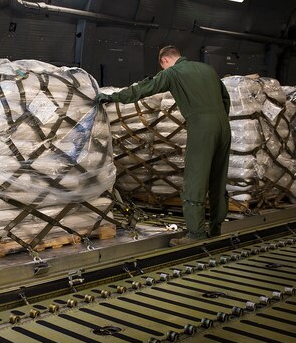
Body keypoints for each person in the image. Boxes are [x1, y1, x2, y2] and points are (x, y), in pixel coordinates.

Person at [96, 45, 231, 246]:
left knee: (196, 178)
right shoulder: (208, 69)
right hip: (223, 126)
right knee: (218, 177)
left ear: (164, 61)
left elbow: (143, 89)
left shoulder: (173, 73)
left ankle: (195, 234)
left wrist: (112, 97)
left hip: (202, 128)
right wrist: (218, 121)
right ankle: (215, 228)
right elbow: (225, 98)